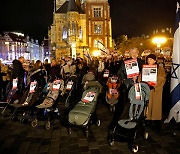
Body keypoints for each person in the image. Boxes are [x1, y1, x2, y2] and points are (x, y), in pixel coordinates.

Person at [143, 54, 166, 130]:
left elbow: (162, 78)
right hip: (147, 88)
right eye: (148, 59)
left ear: (155, 60)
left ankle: (156, 120)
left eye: (151, 59)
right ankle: (147, 118)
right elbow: (141, 77)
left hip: (156, 90)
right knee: (147, 104)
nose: (149, 61)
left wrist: (154, 85)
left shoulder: (160, 68)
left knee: (156, 105)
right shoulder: (144, 68)